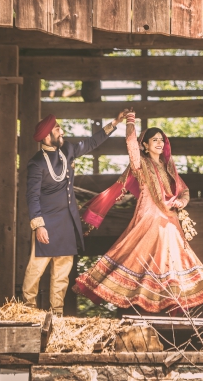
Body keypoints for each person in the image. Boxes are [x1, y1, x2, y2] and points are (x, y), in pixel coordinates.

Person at [73, 111, 203, 313]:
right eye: (154, 140)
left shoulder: (169, 168)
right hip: (148, 220)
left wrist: (181, 201)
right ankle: (145, 310)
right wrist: (130, 122)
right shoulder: (140, 165)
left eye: (162, 140)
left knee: (175, 264)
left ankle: (173, 310)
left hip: (170, 222)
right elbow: (131, 143)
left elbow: (184, 191)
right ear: (145, 145)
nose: (159, 143)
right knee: (139, 262)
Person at [22, 110, 130, 316]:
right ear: (47, 136)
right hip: (46, 224)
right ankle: (27, 311)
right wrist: (39, 225)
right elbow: (32, 196)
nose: (61, 131)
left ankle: (57, 314)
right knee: (36, 270)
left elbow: (90, 143)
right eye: (57, 129)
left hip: (67, 222)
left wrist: (115, 122)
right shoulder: (36, 163)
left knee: (62, 273)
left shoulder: (68, 150)